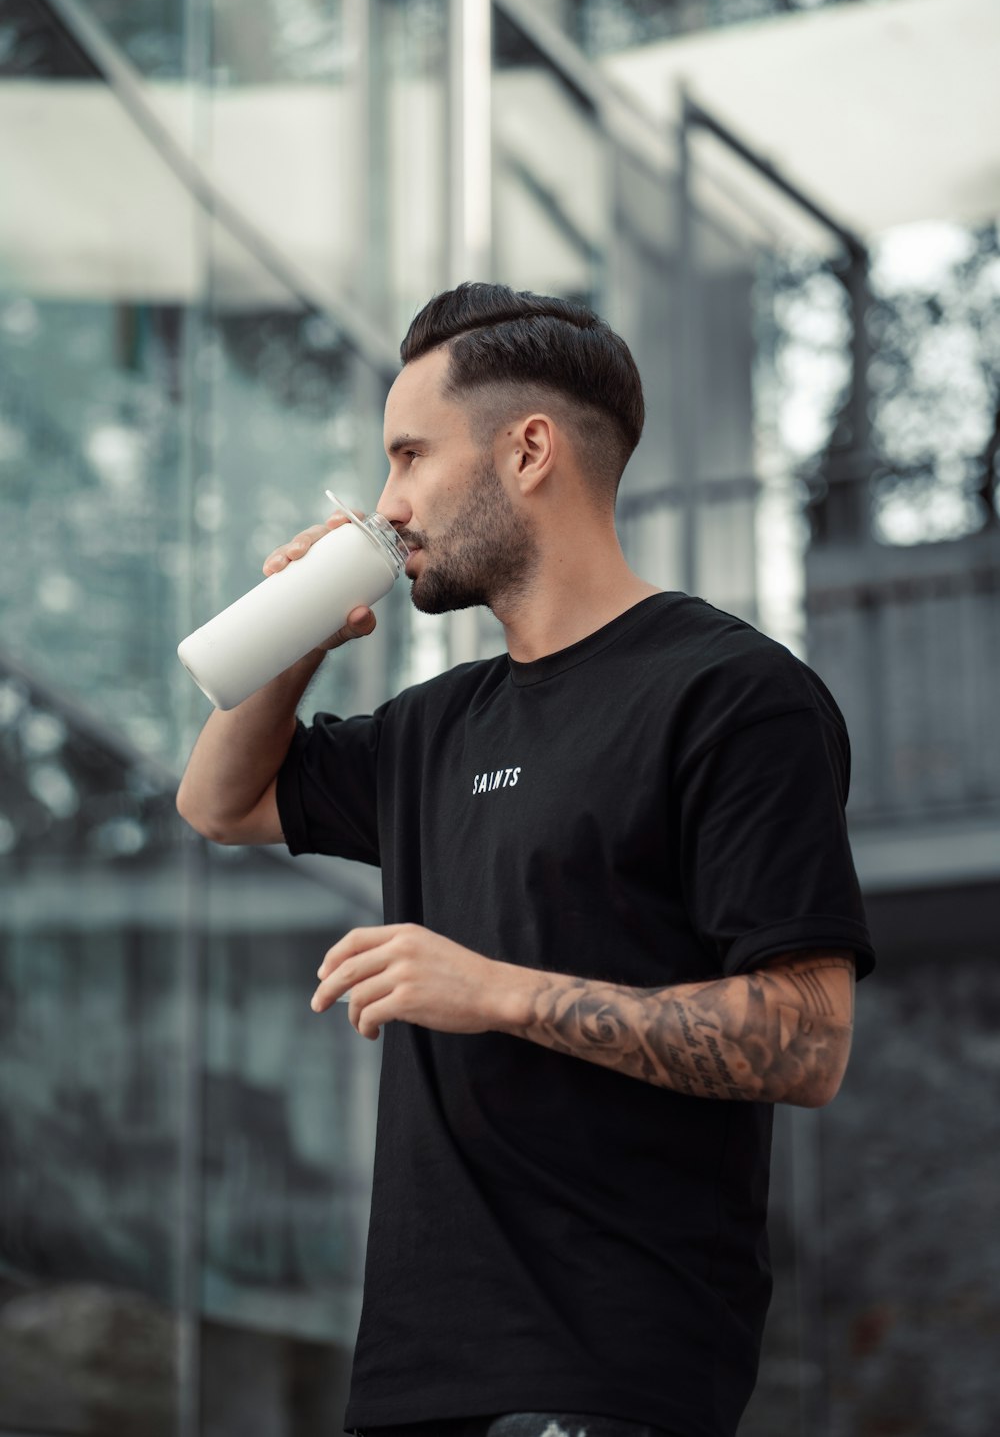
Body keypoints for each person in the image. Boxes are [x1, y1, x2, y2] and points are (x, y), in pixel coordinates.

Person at [177, 283, 875, 1437]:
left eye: (407, 456)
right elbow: (220, 799)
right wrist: (299, 630)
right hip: (413, 1375)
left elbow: (807, 1041)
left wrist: (493, 991)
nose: (387, 505)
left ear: (529, 450)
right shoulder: (436, 725)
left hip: (607, 1377)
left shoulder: (731, 697)